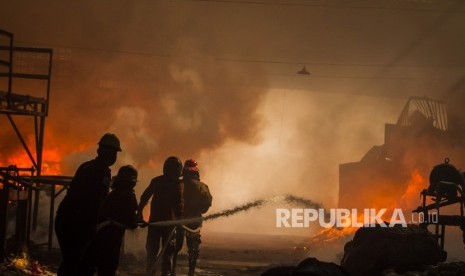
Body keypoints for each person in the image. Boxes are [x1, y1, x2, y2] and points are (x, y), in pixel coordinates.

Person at [55, 133, 121, 276]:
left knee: (71, 262)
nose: (115, 156)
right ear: (104, 152)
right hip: (78, 223)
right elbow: (96, 202)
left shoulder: (86, 166)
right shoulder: (102, 171)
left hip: (64, 219)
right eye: (114, 152)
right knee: (79, 264)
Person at [79, 165, 139, 276]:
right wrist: (136, 221)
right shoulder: (129, 195)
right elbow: (131, 222)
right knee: (107, 270)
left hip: (96, 238)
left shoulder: (112, 194)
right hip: (111, 240)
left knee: (89, 268)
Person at [138, 156, 184, 276]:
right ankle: (163, 273)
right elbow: (180, 206)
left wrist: (139, 213)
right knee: (166, 253)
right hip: (167, 225)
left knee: (156, 252)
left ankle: (152, 272)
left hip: (158, 224)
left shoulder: (157, 181)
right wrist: (180, 224)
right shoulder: (179, 184)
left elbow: (144, 197)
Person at [175, 159, 212, 276]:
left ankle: (171, 270)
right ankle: (191, 271)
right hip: (194, 221)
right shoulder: (202, 186)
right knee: (193, 249)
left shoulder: (177, 184)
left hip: (176, 220)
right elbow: (205, 206)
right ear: (197, 172)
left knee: (174, 248)